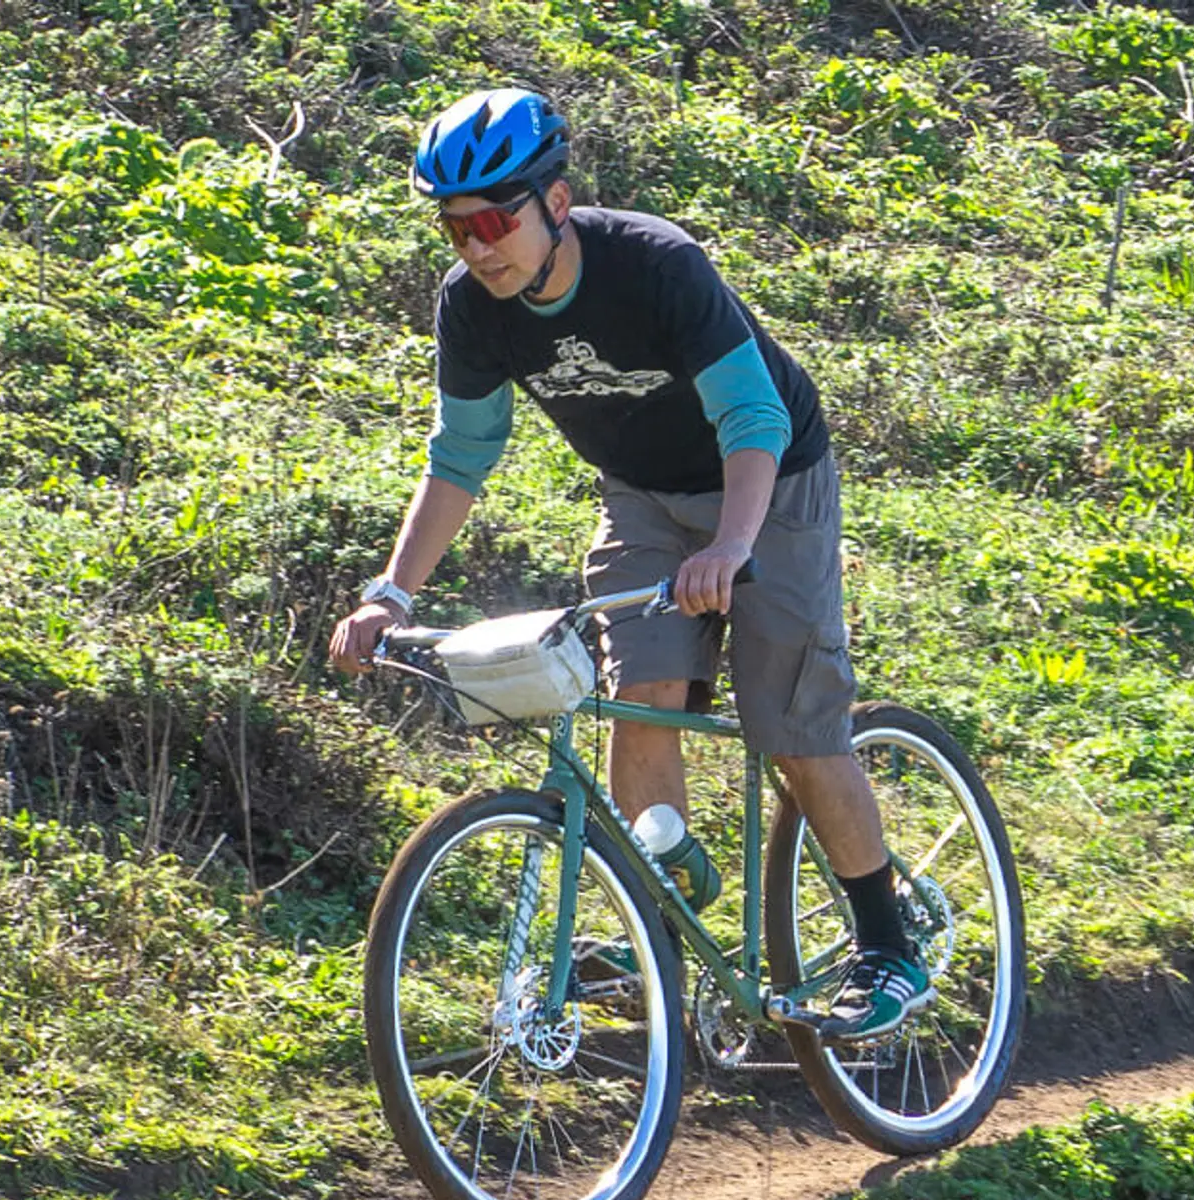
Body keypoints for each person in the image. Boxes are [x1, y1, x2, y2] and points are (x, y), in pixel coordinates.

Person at [328, 87, 931, 1042]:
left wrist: (733, 547)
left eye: (494, 219)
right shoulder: (472, 311)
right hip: (642, 493)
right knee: (633, 685)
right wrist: (389, 593)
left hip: (767, 482)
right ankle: (662, 907)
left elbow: (754, 416)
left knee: (790, 722)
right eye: (456, 229)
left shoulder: (656, 264)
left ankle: (888, 944)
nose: (478, 245)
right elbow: (460, 458)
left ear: (554, 203)